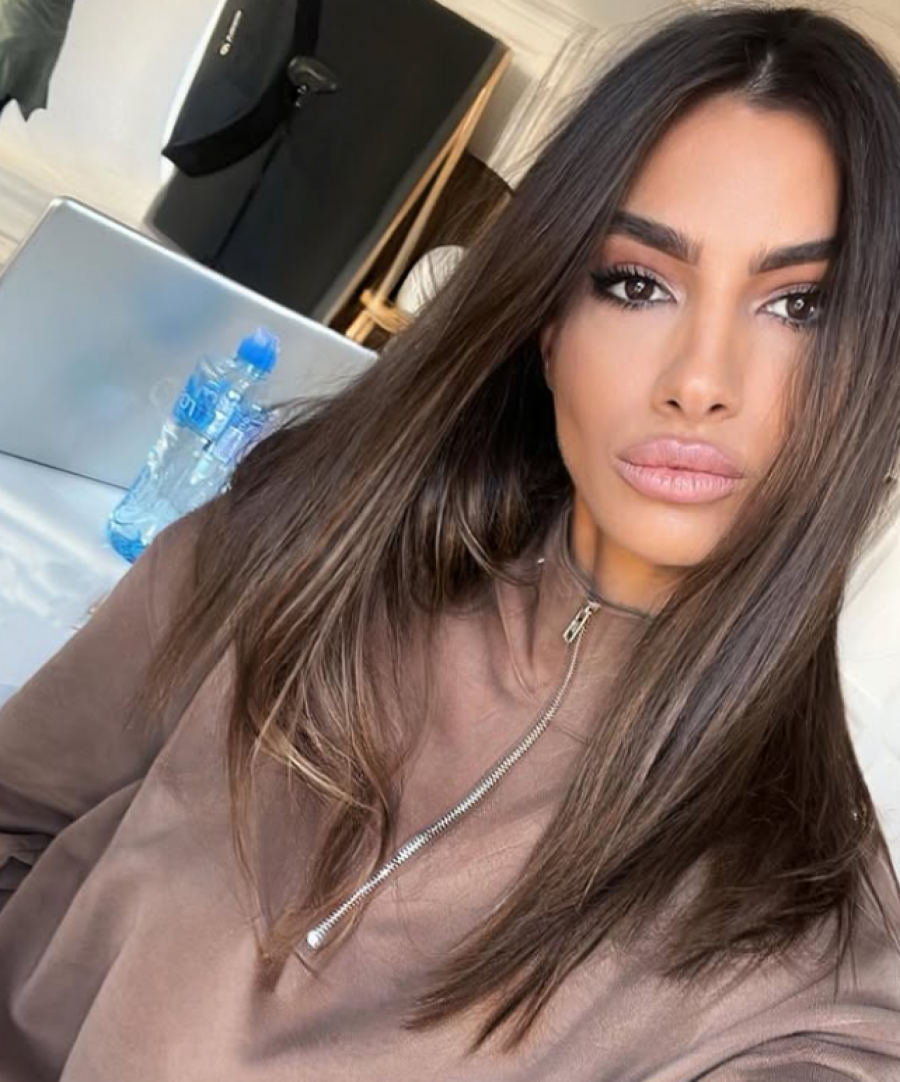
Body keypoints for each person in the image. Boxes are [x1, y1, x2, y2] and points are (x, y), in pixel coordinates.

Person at [2, 4, 900, 1078]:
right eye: (636, 283)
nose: (699, 381)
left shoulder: (809, 953)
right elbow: (17, 812)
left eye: (802, 307)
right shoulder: (303, 537)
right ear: (551, 325)